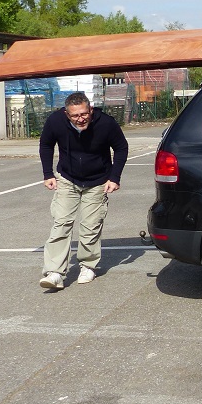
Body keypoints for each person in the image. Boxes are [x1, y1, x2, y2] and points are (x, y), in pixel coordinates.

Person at [38, 91, 128, 290]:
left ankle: (88, 265)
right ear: (66, 114)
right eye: (75, 116)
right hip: (67, 179)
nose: (81, 119)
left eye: (84, 114)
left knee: (90, 225)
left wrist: (115, 177)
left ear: (90, 110)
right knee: (61, 222)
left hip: (97, 181)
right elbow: (46, 145)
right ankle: (54, 272)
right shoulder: (55, 121)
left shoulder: (106, 123)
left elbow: (121, 148)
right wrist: (48, 174)